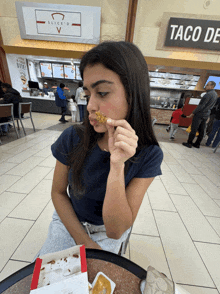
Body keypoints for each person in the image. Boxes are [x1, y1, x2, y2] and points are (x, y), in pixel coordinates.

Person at [37, 41, 163, 257]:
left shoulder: (148, 154)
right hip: (70, 221)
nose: (91, 106)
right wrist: (83, 240)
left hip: (106, 231)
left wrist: (117, 165)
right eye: (87, 95)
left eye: (102, 93)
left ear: (133, 95)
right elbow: (58, 193)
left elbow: (116, 231)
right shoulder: (73, 137)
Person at [182, 81, 218, 148]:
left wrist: (192, 113)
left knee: (194, 129)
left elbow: (201, 106)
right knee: (202, 130)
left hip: (200, 114)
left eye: (207, 85)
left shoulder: (207, 95)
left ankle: (189, 143)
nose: (206, 86)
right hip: (206, 114)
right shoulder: (215, 94)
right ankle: (197, 144)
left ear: (212, 86)